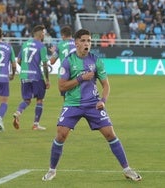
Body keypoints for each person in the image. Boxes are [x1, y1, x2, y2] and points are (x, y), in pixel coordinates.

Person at [42, 29, 142, 181]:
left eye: (89, 41)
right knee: (61, 135)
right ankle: (51, 170)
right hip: (72, 104)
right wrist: (81, 79)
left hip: (93, 104)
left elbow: (106, 85)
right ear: (76, 43)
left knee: (110, 134)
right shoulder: (68, 61)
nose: (87, 43)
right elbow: (61, 87)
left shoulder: (96, 60)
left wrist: (103, 100)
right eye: (83, 41)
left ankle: (127, 169)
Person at [12, 25, 50, 131]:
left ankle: (18, 112)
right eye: (43, 32)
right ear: (38, 33)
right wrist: (47, 80)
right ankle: (36, 124)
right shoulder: (41, 46)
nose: (44, 34)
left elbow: (18, 60)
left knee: (27, 100)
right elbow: (45, 64)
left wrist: (25, 69)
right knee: (39, 100)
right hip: (36, 76)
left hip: (24, 75)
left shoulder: (25, 44)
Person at [49, 25, 76, 98]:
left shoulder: (60, 45)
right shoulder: (77, 43)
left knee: (66, 99)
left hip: (64, 74)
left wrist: (53, 52)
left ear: (63, 35)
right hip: (77, 72)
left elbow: (52, 61)